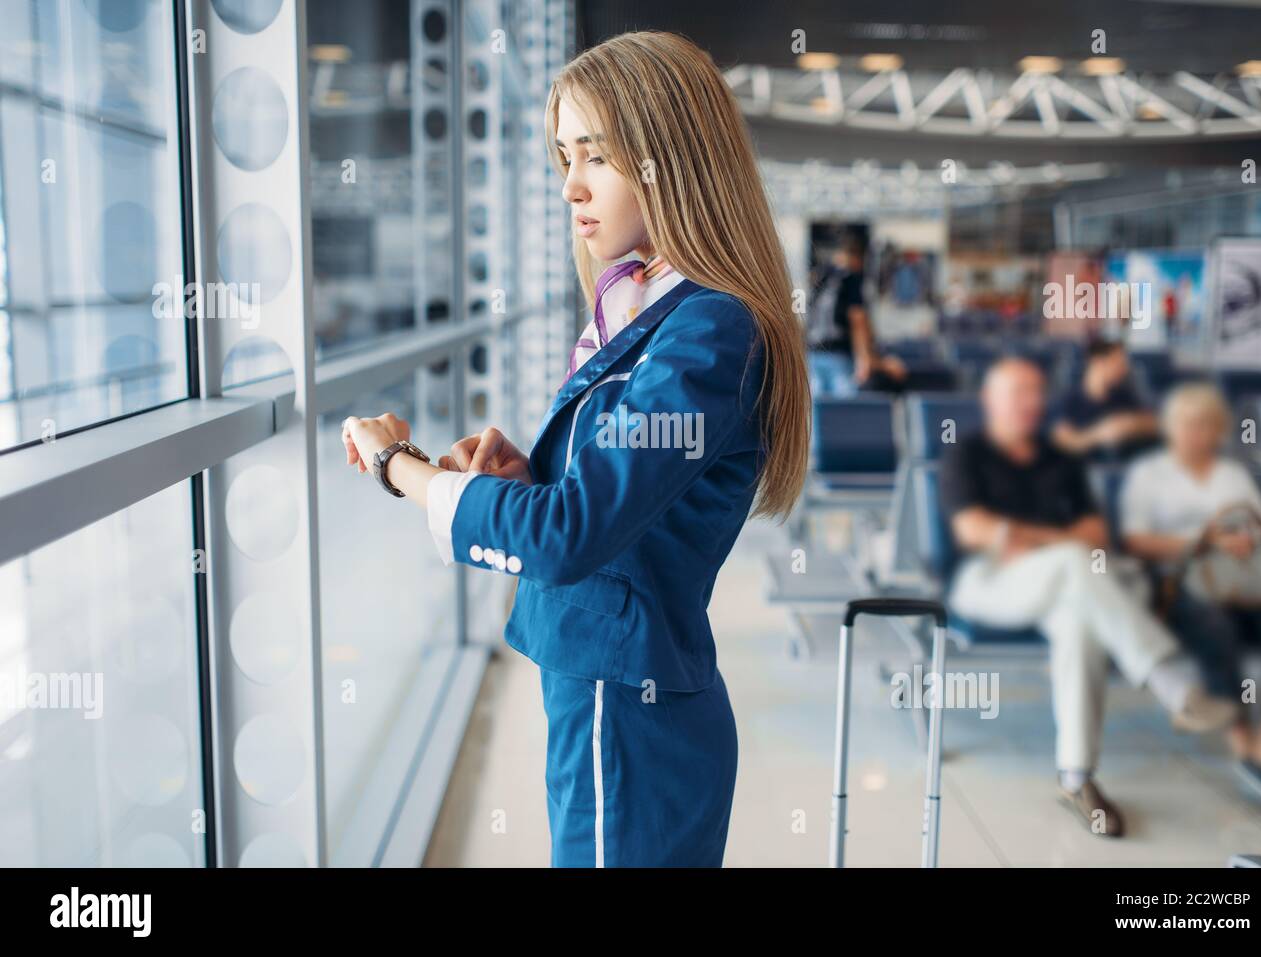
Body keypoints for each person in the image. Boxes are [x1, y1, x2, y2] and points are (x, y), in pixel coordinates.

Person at [338, 32, 810, 867]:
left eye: (595, 155)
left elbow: (567, 537)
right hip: (617, 697)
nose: (570, 186)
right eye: (564, 155)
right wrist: (536, 474)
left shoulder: (708, 328)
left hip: (628, 710)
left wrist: (396, 467)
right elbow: (613, 501)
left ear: (669, 157)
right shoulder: (647, 306)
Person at [940, 357, 1236, 837]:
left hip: (1065, 583)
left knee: (1079, 619)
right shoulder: (965, 455)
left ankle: (1076, 778)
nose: (1032, 403)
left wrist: (1023, 536)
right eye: (1019, 393)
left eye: (1038, 392)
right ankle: (1169, 681)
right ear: (991, 400)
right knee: (1075, 565)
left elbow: (1096, 534)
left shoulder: (1061, 458)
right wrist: (1057, 539)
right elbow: (975, 531)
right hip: (988, 582)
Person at [1122, 383, 1261, 816]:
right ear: (1171, 427)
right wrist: (1204, 541)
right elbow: (1136, 541)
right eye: (1188, 424)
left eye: (1206, 425)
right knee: (1214, 626)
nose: (1197, 433)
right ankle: (1242, 744)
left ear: (1218, 430)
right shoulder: (1149, 474)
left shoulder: (1233, 476)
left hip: (1248, 585)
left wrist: (1241, 542)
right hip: (1182, 585)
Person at [805, 232, 906, 396]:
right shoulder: (851, 277)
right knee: (844, 410)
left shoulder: (819, 276)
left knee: (817, 409)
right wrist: (864, 360)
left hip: (812, 353)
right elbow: (857, 319)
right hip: (838, 355)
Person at [1050, 338, 1159, 462]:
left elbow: (1155, 424)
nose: (1124, 368)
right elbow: (1065, 441)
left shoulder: (1123, 395)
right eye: (1118, 362)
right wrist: (1102, 433)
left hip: (1126, 464)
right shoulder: (1067, 400)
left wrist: (1132, 424)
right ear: (1098, 361)